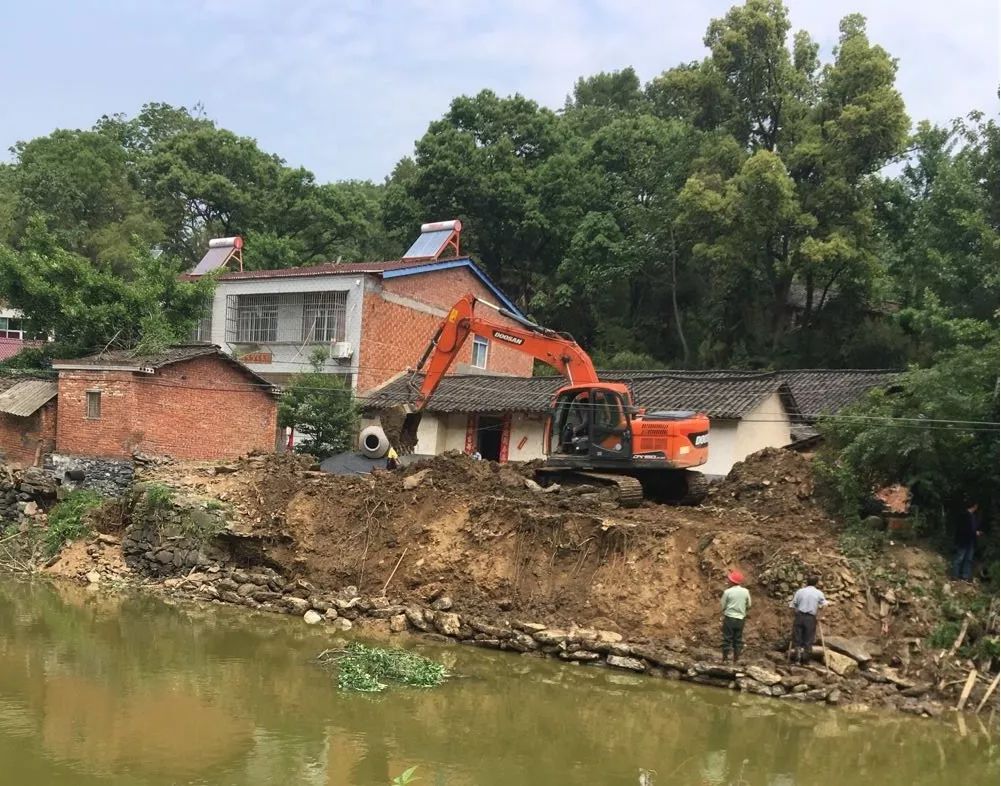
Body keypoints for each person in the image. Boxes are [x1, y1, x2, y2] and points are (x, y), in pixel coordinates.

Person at [789, 576, 826, 665]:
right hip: (810, 618)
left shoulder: (800, 591)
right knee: (808, 639)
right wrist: (820, 615)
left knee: (797, 638)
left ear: (807, 582)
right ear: (816, 583)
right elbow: (824, 605)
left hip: (799, 616)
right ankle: (805, 661)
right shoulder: (819, 593)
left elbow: (793, 605)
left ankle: (797, 660)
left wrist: (796, 613)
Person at [720, 569, 750, 663]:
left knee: (727, 638)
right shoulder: (745, 591)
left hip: (729, 618)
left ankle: (725, 659)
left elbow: (723, 605)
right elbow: (749, 604)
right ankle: (736, 659)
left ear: (732, 581)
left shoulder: (727, 592)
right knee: (738, 639)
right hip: (740, 619)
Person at [952, 501, 982, 582]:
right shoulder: (964, 515)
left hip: (971, 541)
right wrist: (975, 533)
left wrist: (976, 532)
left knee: (969, 559)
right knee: (959, 558)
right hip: (963, 540)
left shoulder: (973, 516)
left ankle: (965, 576)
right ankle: (955, 575)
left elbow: (973, 528)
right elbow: (962, 529)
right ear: (974, 506)